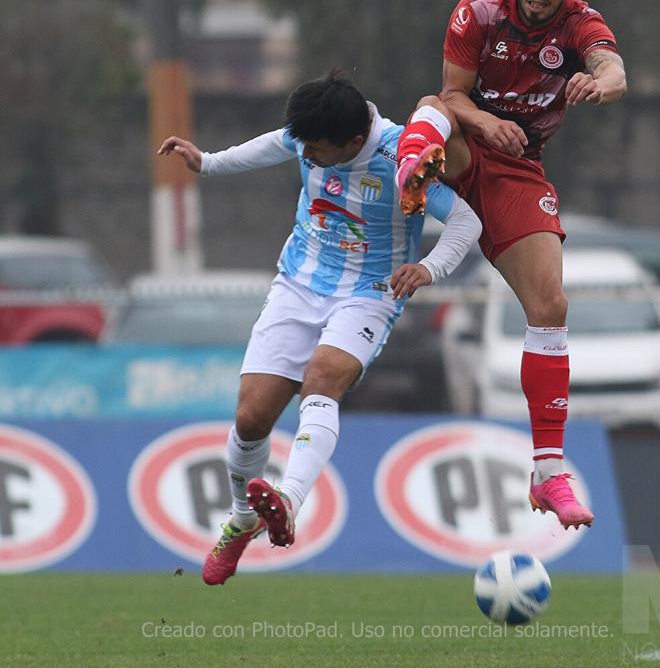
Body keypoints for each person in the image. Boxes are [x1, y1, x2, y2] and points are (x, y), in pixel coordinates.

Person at [158, 70, 480, 584]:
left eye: (316, 150)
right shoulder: (315, 131)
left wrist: (428, 268)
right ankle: (243, 518)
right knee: (250, 419)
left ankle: (288, 501)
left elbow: (465, 222)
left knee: (322, 380)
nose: (305, 156)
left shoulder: (403, 156)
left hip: (369, 294)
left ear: (354, 142)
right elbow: (275, 144)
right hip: (298, 284)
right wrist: (209, 163)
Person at [396, 0, 627, 530]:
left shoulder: (579, 23)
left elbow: (615, 72)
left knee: (550, 305)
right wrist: (484, 121)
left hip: (516, 172)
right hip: (466, 146)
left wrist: (597, 86)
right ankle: (411, 172)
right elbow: (454, 94)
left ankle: (548, 474)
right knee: (431, 107)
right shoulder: (478, 14)